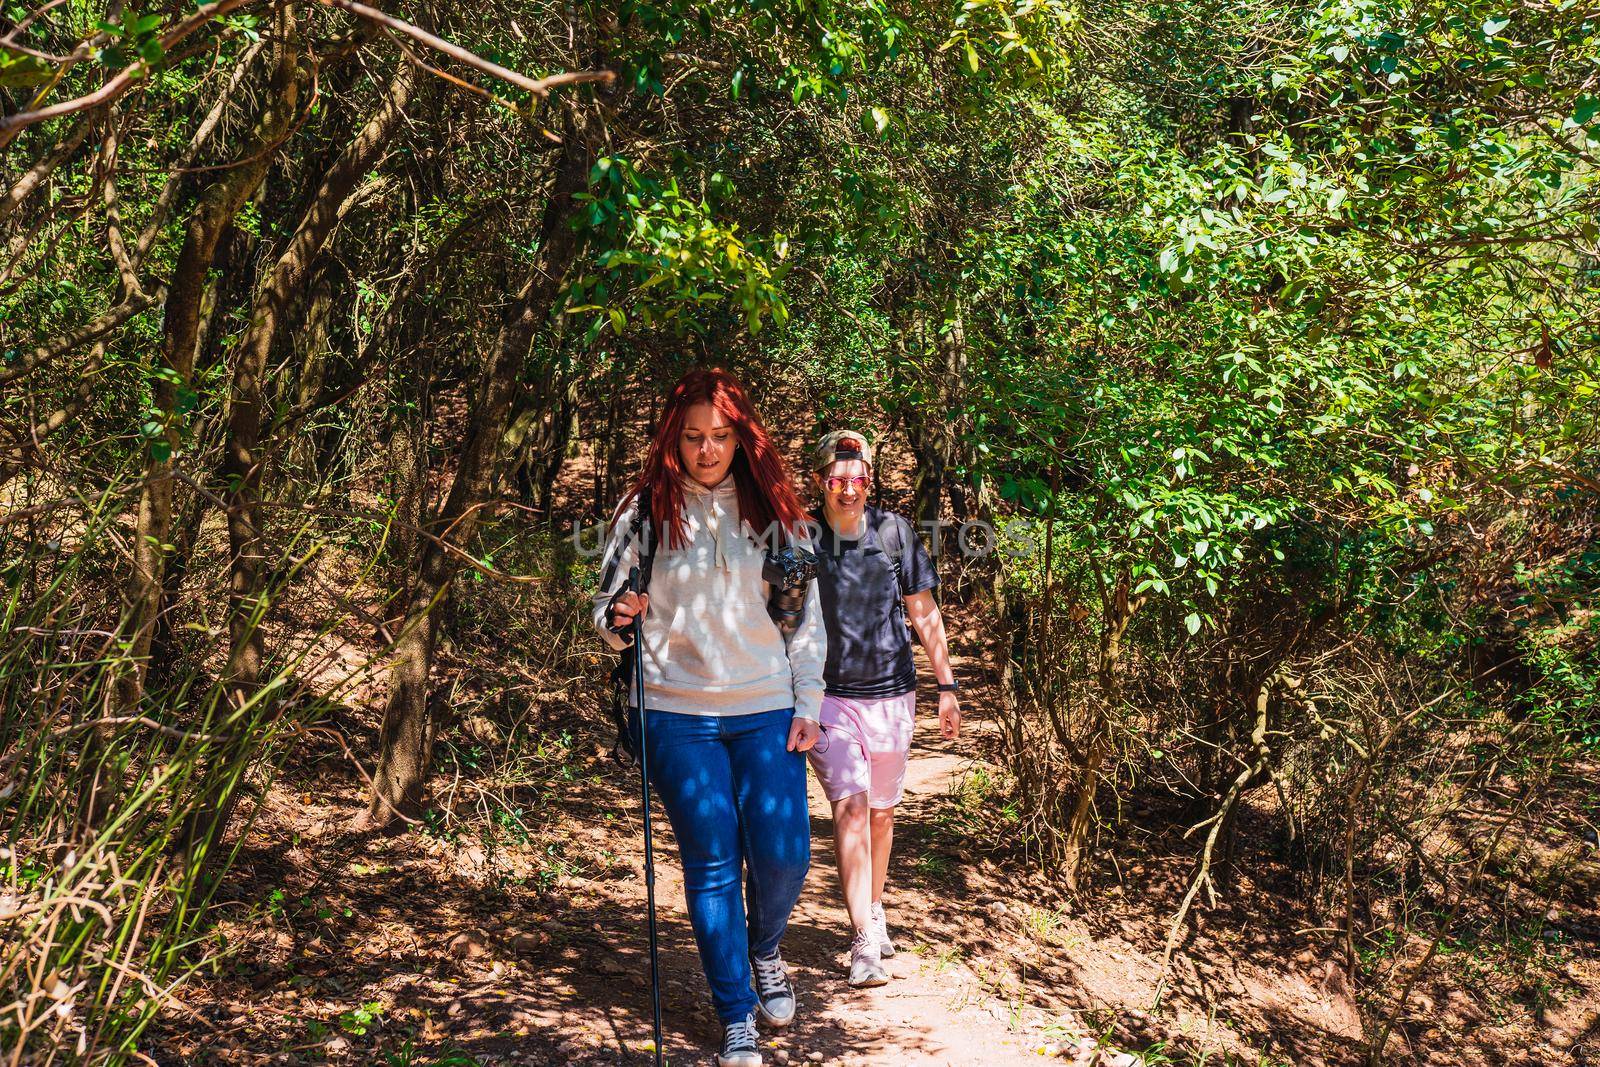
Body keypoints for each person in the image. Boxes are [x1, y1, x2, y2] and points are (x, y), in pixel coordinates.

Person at [592, 368, 824, 1067]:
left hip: (765, 704)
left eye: (719, 435)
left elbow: (804, 620)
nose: (706, 449)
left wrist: (809, 702)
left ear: (741, 435)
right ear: (673, 437)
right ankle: (735, 1016)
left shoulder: (774, 512)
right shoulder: (644, 510)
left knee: (785, 853)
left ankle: (763, 948)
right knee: (714, 860)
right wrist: (618, 617)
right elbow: (605, 608)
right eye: (692, 436)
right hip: (675, 710)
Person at [803, 430, 961, 987]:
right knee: (849, 803)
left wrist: (947, 686)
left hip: (893, 694)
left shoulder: (894, 532)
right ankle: (863, 937)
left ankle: (875, 905)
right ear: (821, 480)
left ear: (870, 480)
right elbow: (778, 614)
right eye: (838, 479)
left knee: (881, 814)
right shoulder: (803, 537)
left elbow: (924, 612)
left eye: (858, 479)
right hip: (827, 698)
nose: (849, 490)